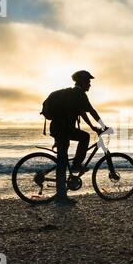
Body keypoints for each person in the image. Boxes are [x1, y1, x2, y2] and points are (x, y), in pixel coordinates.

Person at [50, 70, 108, 205]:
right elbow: (91, 111)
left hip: (61, 128)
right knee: (64, 159)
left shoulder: (73, 95)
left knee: (79, 141)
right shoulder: (79, 94)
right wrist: (103, 126)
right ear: (82, 82)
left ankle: (74, 167)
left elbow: (82, 112)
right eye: (88, 81)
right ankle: (61, 195)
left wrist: (94, 127)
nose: (90, 85)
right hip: (62, 129)